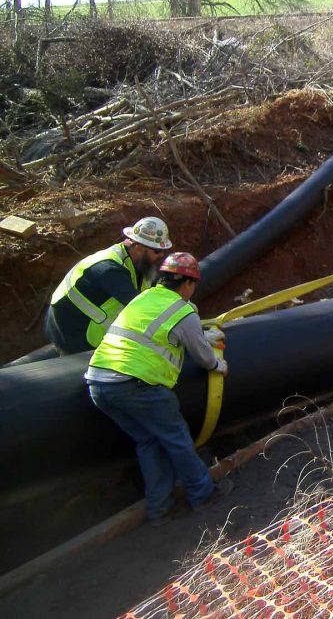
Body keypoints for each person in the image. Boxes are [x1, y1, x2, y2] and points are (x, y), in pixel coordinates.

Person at [85, 252, 231, 525]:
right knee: (176, 438)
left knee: (149, 440)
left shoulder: (144, 298)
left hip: (98, 382)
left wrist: (202, 332)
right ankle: (203, 493)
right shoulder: (182, 309)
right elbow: (200, 353)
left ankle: (160, 508)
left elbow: (161, 330)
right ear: (188, 283)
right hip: (136, 385)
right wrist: (217, 366)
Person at [45, 216, 172, 355]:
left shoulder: (139, 265)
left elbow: (158, 290)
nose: (161, 255)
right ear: (140, 247)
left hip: (86, 327)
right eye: (157, 251)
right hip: (73, 333)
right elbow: (141, 308)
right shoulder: (110, 269)